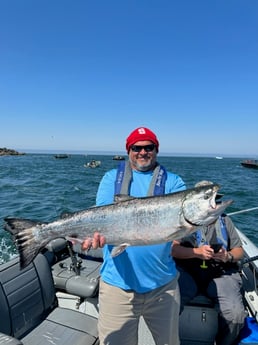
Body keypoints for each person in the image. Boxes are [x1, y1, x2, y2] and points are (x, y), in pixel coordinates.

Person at [82, 126, 186, 345]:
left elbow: (181, 229)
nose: (143, 152)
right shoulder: (111, 178)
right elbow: (101, 219)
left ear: (156, 150)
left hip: (163, 286)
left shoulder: (174, 182)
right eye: (136, 148)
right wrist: (95, 237)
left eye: (149, 147)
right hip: (117, 286)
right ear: (128, 150)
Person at [172, 180, 247, 345]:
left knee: (235, 315)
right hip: (188, 273)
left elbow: (239, 251)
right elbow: (173, 250)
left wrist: (227, 256)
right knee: (169, 308)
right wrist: (196, 253)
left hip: (222, 274)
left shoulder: (225, 220)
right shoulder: (183, 222)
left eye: (214, 199)